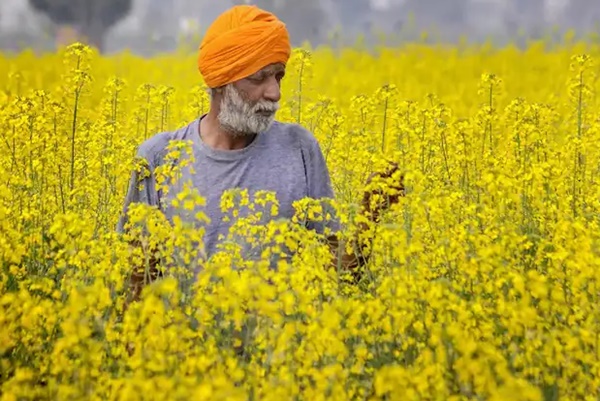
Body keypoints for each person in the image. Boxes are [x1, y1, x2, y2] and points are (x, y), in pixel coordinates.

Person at [117, 4, 403, 303]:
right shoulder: (159, 157)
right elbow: (136, 287)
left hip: (280, 350)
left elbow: (336, 279)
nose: (274, 93)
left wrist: (371, 215)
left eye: (278, 76)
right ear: (220, 81)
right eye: (258, 78)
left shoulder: (300, 148)